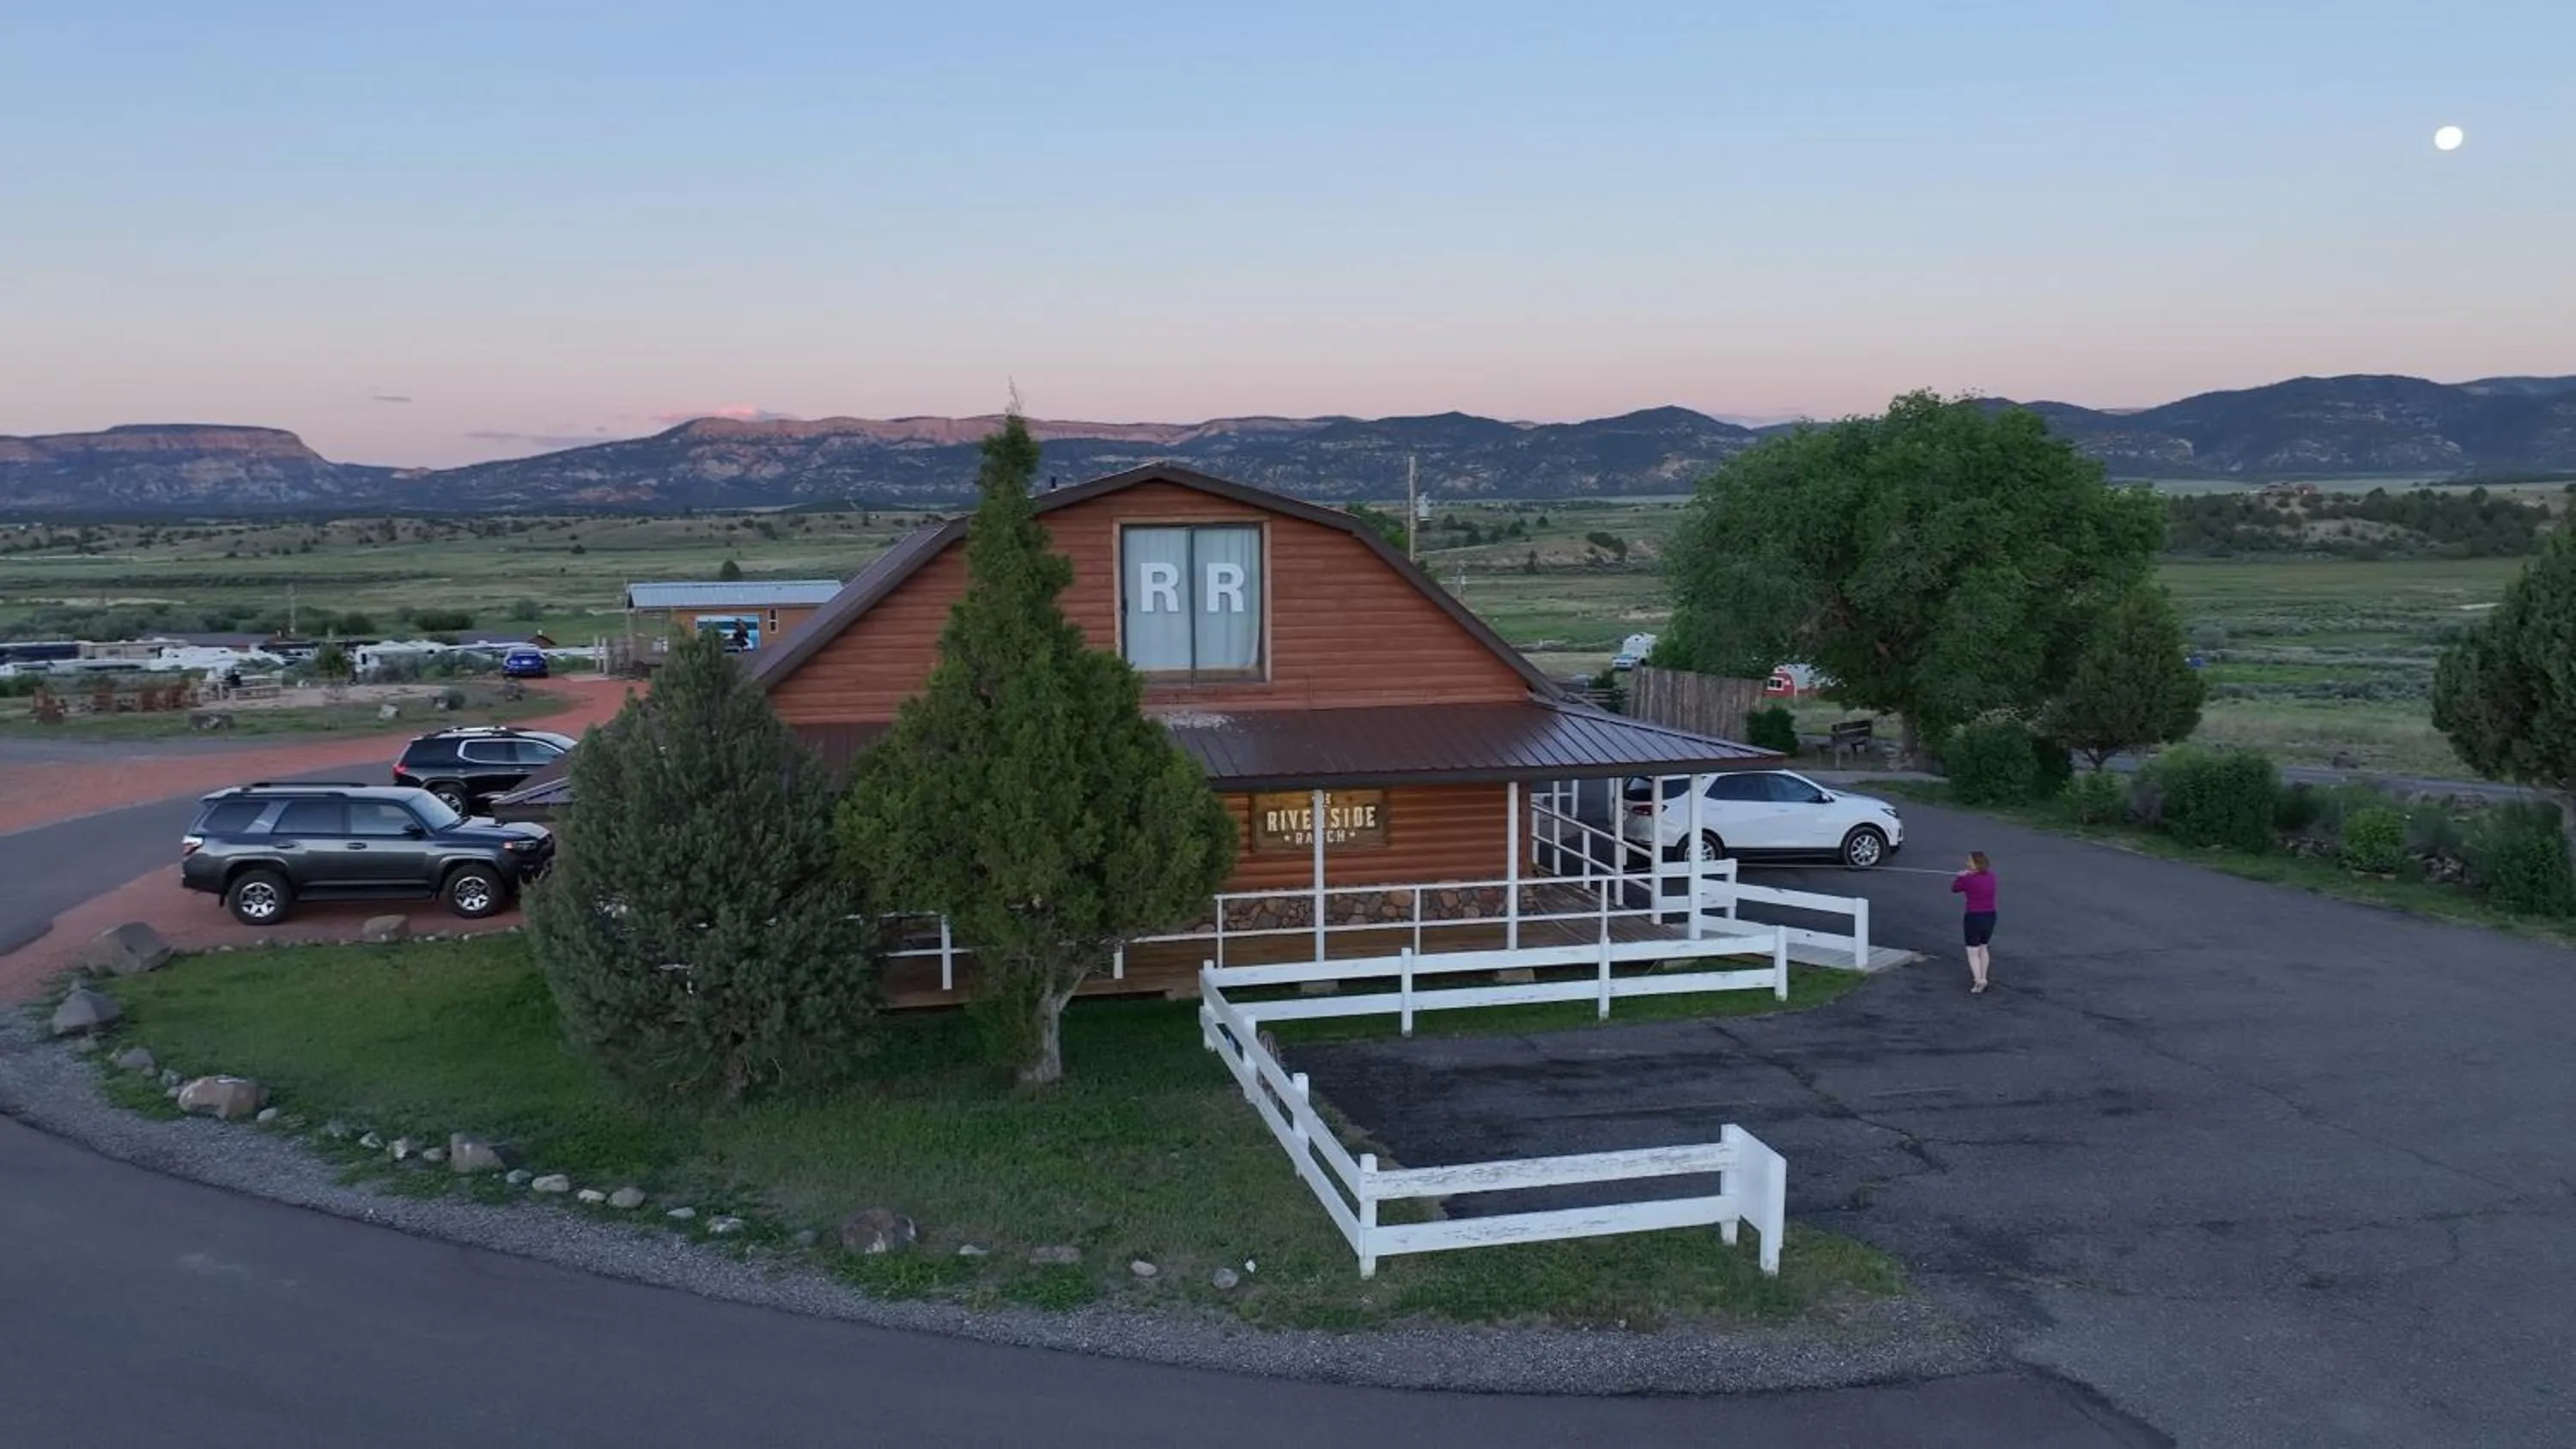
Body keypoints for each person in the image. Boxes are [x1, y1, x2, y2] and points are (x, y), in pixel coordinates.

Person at [1951, 852, 1999, 994]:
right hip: (1990, 916)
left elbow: (1954, 888)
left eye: (1969, 861)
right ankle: (1983, 976)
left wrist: (1960, 876)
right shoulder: (1992, 877)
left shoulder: (1968, 880)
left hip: (1974, 917)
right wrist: (1968, 874)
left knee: (1972, 951)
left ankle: (1979, 981)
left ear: (1975, 864)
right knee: (1983, 947)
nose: (1966, 863)